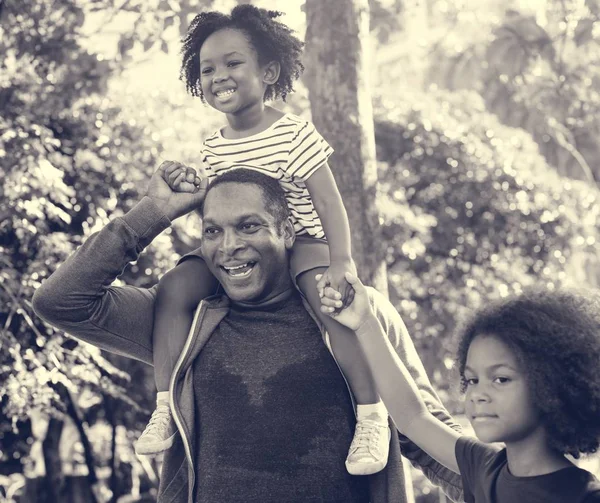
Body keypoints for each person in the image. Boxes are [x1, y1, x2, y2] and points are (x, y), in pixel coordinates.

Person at [32, 166, 463, 503]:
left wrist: (507, 482)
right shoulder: (183, 323)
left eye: (249, 226)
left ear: (288, 232)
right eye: (213, 230)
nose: (228, 246)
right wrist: (153, 211)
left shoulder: (351, 313)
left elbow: (424, 433)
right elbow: (60, 301)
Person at [139, 3, 389, 476]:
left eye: (233, 63)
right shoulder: (214, 144)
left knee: (330, 300)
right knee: (172, 289)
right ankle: (164, 405)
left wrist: (342, 262)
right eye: (207, 69)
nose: (219, 76)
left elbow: (330, 203)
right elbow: (218, 208)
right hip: (243, 247)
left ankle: (370, 415)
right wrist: (184, 181)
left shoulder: (293, 133)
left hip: (299, 241)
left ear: (268, 70)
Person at [319, 272, 600, 502]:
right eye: (472, 380)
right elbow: (413, 418)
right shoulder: (484, 467)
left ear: (550, 384)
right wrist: (365, 322)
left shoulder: (583, 496)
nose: (477, 394)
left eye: (500, 379)